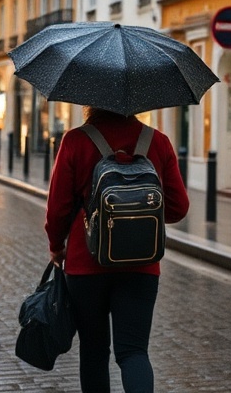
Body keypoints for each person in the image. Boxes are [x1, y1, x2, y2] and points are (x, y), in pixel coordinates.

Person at [45, 107, 190, 393]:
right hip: (142, 264)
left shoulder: (75, 141)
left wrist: (56, 246)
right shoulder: (157, 142)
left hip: (85, 264)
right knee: (134, 351)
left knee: (93, 350)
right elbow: (178, 207)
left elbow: (57, 209)